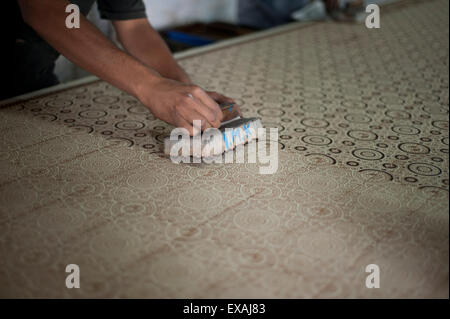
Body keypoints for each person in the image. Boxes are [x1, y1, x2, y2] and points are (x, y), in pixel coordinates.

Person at [8, 0, 234, 136]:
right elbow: (48, 9)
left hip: (33, 83)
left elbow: (134, 26)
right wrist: (152, 87)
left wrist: (184, 92)